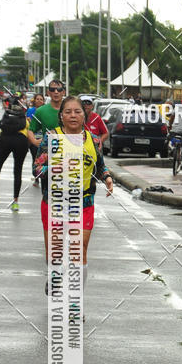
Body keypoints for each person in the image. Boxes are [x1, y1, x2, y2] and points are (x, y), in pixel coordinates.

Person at [34, 96, 113, 297]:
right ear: (61, 116)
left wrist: (107, 177)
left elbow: (100, 166)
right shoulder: (51, 138)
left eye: (77, 111)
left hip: (84, 202)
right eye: (67, 112)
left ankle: (74, 302)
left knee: (80, 251)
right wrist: (54, 167)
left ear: (84, 115)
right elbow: (36, 170)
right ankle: (56, 274)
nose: (73, 115)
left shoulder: (94, 140)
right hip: (55, 203)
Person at [0, 96, 30, 212]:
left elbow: (1, 124)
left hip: (4, 140)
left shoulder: (7, 114)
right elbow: (28, 129)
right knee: (18, 171)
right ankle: (15, 203)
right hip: (20, 141)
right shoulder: (24, 116)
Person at [27, 81, 65, 148]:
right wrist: (34, 141)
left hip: (70, 150)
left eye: (59, 89)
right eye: (52, 90)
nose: (56, 92)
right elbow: (30, 130)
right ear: (48, 92)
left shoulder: (72, 110)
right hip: (49, 150)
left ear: (63, 92)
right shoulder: (41, 111)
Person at [26, 92, 44, 183]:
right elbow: (28, 123)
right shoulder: (30, 110)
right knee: (35, 157)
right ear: (34, 100)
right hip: (34, 138)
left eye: (41, 99)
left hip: (44, 139)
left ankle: (43, 175)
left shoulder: (46, 111)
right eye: (37, 99)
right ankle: (36, 175)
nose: (39, 101)